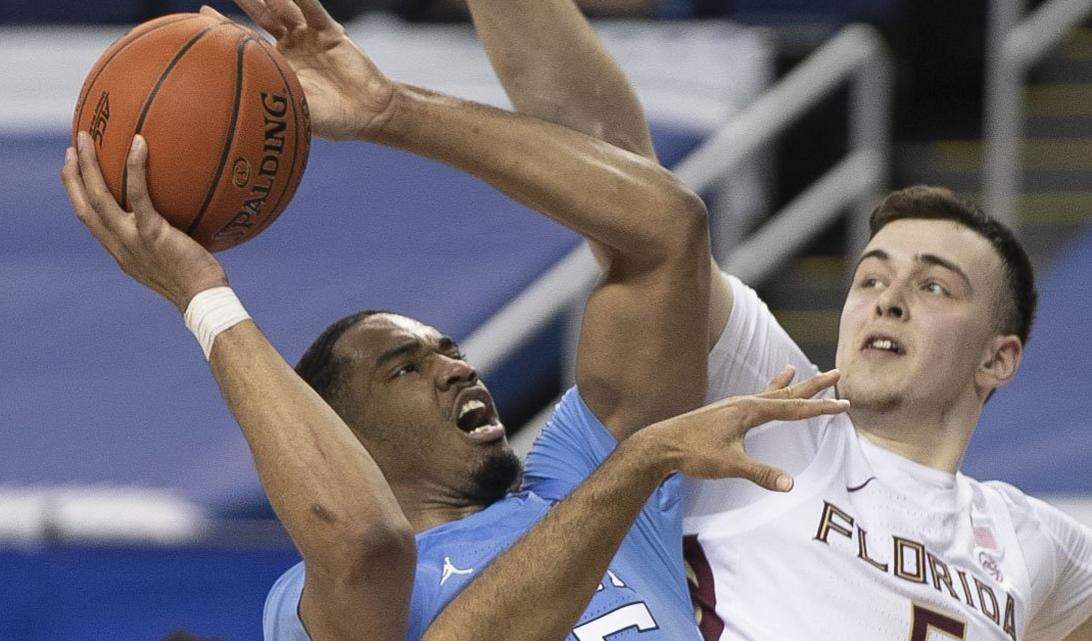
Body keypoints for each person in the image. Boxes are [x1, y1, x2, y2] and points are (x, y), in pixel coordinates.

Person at [62, 2, 849, 641]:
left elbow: (665, 228)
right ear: (346, 435)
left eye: (449, 350)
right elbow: (366, 541)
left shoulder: (579, 476)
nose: (457, 367)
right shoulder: (304, 600)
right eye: (405, 365)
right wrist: (202, 293)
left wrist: (389, 110)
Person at [441, 1, 1092, 640]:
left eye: (932, 285)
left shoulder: (1034, 539)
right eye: (870, 277)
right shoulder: (775, 418)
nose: (887, 300)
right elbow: (627, 182)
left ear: (998, 358)